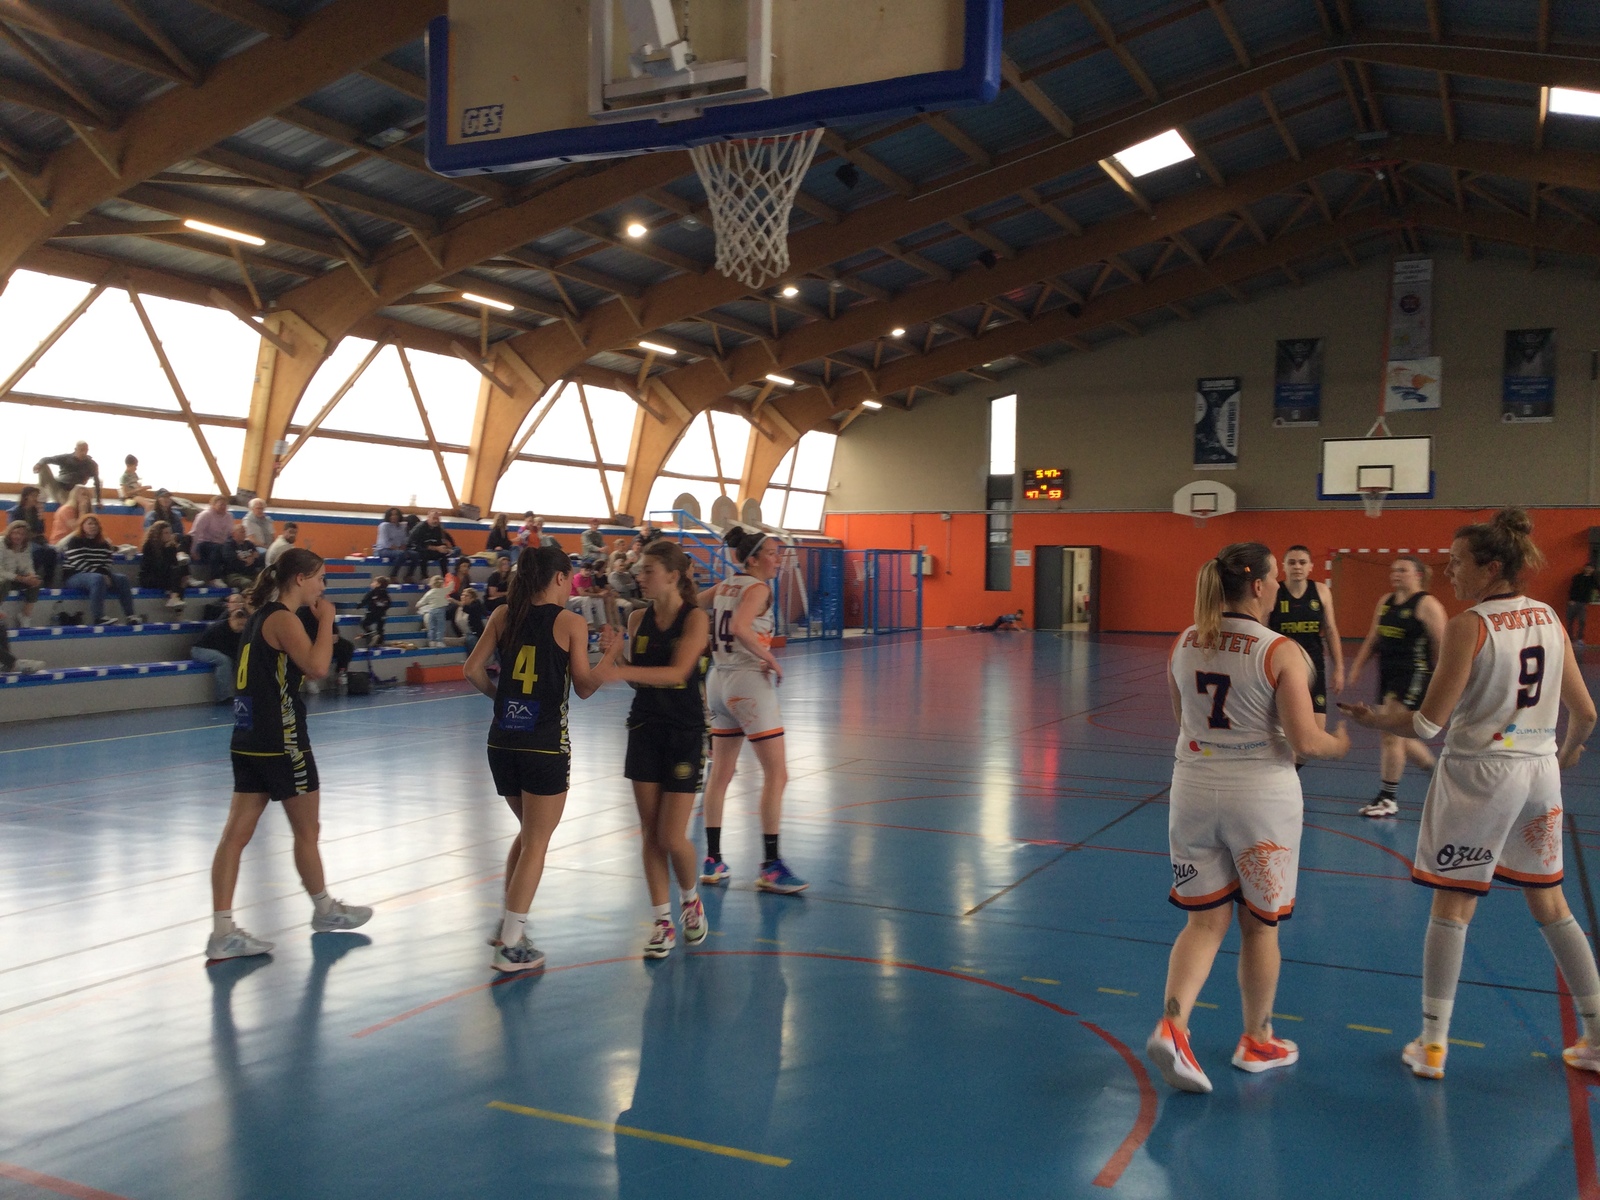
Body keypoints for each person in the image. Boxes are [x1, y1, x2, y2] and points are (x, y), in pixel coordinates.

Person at [1339, 509, 1600, 1081]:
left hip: (1480, 777)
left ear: (1492, 567)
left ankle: (1433, 1045)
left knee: (1452, 906)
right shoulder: (1550, 618)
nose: (1449, 571)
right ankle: (1598, 1038)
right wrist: (1565, 753)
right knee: (1552, 905)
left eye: (1458, 562)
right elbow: (1585, 714)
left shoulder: (1469, 626)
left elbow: (1427, 725)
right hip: (1539, 775)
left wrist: (1377, 719)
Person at [1146, 543, 1350, 1095]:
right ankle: (1257, 1040)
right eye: (1276, 577)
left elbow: (1183, 720)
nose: (1281, 585)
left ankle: (1173, 1025)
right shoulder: (1280, 651)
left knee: (1203, 922)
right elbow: (1304, 741)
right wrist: (1339, 743)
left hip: (1192, 790)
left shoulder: (1184, 642)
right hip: (1261, 798)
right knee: (1260, 925)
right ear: (1258, 586)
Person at [205, 547, 371, 961]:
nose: (322, 587)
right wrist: (327, 620)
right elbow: (318, 667)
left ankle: (222, 931)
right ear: (300, 579)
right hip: (282, 739)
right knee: (307, 830)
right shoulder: (283, 618)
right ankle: (325, 910)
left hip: (247, 736)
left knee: (234, 836)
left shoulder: (259, 616)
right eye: (320, 578)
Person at [462, 544, 608, 973]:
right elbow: (585, 686)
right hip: (544, 745)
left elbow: (472, 670)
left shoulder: (503, 614)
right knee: (537, 842)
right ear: (560, 578)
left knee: (529, 834)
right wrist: (612, 655)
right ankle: (510, 945)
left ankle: (508, 927)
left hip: (502, 742)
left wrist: (502, 700)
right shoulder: (571, 622)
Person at [595, 540, 711, 958]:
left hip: (684, 733)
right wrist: (616, 658)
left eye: (648, 570)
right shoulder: (637, 617)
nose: (639, 577)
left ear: (673, 576)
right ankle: (662, 922)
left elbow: (678, 673)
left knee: (671, 835)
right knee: (649, 833)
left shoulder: (695, 619)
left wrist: (616, 671)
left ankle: (690, 900)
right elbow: (637, 678)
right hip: (644, 728)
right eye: (639, 570)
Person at [701, 527, 806, 894]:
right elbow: (741, 627)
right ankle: (771, 866)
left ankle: (713, 860)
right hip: (747, 682)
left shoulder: (725, 585)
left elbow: (690, 604)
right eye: (773, 553)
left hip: (718, 682)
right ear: (755, 558)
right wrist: (769, 657)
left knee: (720, 775)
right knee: (777, 774)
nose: (777, 559)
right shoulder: (758, 588)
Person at [1345, 557, 1447, 817]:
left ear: (1418, 575)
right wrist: (1357, 666)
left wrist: (1440, 682)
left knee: (1390, 733)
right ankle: (1439, 773)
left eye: (1403, 570)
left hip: (1414, 674)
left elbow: (1442, 647)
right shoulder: (1386, 601)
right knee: (1397, 735)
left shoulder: (1428, 605)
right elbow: (1374, 637)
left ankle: (1388, 798)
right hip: (1388, 674)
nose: (1396, 574)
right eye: (1393, 570)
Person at [1268, 545, 1345, 734]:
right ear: (1283, 566)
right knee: (1284, 730)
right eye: (1292, 562)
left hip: (1314, 666)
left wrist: (1339, 668)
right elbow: (1262, 630)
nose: (1297, 566)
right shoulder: (1274, 593)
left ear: (1310, 566)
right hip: (1282, 669)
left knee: (1318, 730)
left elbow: (1331, 630)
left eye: (1302, 562)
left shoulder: (1321, 591)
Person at [62, 514, 138, 625]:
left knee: (122, 579)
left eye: (95, 524)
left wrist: (105, 574)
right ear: (82, 526)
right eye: (89, 524)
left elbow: (107, 562)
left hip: (98, 575)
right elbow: (78, 563)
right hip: (75, 575)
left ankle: (131, 616)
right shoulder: (74, 541)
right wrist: (102, 575)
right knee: (97, 579)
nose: (93, 526)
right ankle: (98, 617)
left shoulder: (104, 543)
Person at [191, 598, 248, 703]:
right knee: (224, 661)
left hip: (218, 649)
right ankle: (223, 696)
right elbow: (225, 649)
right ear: (231, 619)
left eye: (243, 625)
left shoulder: (240, 632)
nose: (241, 628)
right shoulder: (220, 629)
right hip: (201, 649)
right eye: (239, 624)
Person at [138, 521, 188, 611]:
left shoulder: (170, 547)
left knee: (182, 570)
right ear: (158, 534)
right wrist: (167, 550)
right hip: (150, 577)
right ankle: (176, 604)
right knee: (177, 574)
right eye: (166, 533)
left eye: (170, 533)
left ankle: (175, 599)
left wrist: (171, 549)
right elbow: (158, 567)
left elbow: (174, 563)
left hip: (165, 574)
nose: (169, 535)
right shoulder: (149, 546)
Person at [34, 441, 101, 507]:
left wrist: (98, 501)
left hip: (71, 493)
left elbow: (97, 482)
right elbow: (46, 459)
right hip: (57, 486)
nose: (83, 453)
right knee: (42, 465)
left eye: (85, 450)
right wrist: (38, 464)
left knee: (70, 504)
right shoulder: (66, 458)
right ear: (75, 449)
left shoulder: (91, 464)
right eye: (81, 450)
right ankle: (40, 493)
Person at [2, 520, 43, 628]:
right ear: (9, 532)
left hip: (15, 577)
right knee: (4, 582)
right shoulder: (1, 544)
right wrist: (21, 578)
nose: (18, 536)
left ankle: (25, 615)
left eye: (22, 534)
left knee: (36, 581)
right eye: (15, 533)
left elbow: (28, 564)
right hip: (3, 577)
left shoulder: (26, 546)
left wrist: (31, 576)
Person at [14, 487, 57, 584]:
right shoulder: (17, 511)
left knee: (51, 552)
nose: (36, 498)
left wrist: (41, 518)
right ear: (26, 497)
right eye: (33, 496)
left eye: (37, 496)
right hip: (23, 540)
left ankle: (48, 581)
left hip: (37, 539)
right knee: (37, 551)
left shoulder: (35, 511)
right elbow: (16, 528)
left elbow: (41, 530)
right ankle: (30, 577)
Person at [190, 497, 235, 585]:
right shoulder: (205, 515)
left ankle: (231, 577)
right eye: (221, 505)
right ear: (213, 505)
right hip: (204, 543)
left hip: (222, 544)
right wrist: (193, 550)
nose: (223, 507)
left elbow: (230, 533)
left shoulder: (229, 516)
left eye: (225, 505)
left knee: (230, 550)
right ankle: (214, 578)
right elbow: (195, 533)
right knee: (218, 548)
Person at [407, 510, 456, 581]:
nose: (435, 521)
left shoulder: (438, 529)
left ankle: (446, 576)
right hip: (417, 548)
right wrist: (436, 548)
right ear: (428, 518)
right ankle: (424, 576)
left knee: (444, 555)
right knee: (424, 553)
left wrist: (446, 549)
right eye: (434, 518)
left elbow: (439, 542)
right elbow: (415, 543)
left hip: (431, 549)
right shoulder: (420, 528)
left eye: (437, 519)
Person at [219, 524, 262, 591]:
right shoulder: (228, 546)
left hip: (251, 573)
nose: (244, 534)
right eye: (241, 532)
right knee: (247, 583)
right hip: (234, 575)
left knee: (266, 580)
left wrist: (245, 560)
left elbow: (257, 560)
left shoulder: (249, 544)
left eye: (245, 532)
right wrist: (247, 561)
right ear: (234, 533)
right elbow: (232, 562)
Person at [415, 574, 453, 646]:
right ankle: (439, 641)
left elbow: (423, 600)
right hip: (441, 610)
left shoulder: (430, 592)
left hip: (432, 610)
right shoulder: (443, 591)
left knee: (432, 626)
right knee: (440, 626)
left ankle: (432, 641)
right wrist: (451, 581)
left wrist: (418, 605)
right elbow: (450, 588)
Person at [1568, 561, 1598, 644]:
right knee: (1570, 621)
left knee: (1582, 621)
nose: (1589, 569)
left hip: (1583, 603)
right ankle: (1569, 638)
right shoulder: (1578, 577)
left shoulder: (1593, 579)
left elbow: (1597, 588)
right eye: (1587, 567)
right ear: (1585, 568)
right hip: (1574, 601)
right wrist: (1571, 599)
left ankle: (1579, 638)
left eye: (1591, 568)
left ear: (1593, 570)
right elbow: (1572, 588)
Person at [358, 576, 392, 646]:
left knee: (364, 624)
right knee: (380, 628)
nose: (372, 583)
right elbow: (389, 603)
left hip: (372, 612)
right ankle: (380, 642)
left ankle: (372, 634)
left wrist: (359, 606)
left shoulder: (372, 592)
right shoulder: (385, 593)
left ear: (378, 584)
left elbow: (365, 600)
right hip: (382, 614)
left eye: (374, 582)